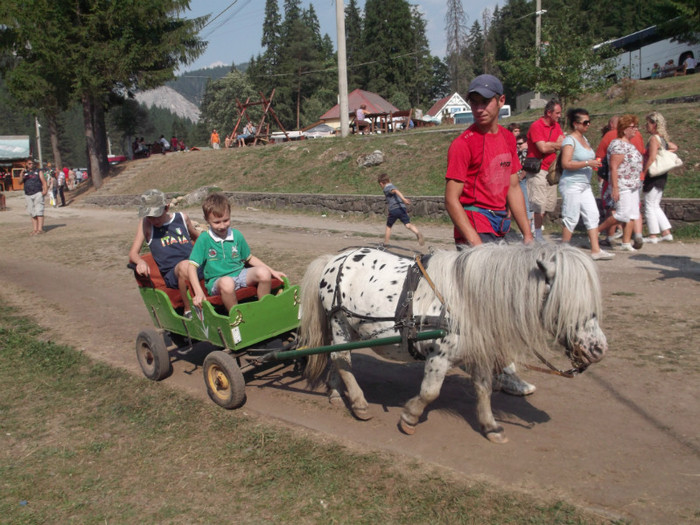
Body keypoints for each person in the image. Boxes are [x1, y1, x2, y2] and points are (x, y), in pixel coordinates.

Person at [444, 74, 535, 396]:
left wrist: (527, 233)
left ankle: (490, 363)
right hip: (474, 226)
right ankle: (500, 370)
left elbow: (512, 187)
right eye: (475, 102)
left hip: (499, 226)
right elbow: (451, 200)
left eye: (486, 101)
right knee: (490, 306)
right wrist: (475, 244)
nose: (479, 108)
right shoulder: (463, 144)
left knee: (505, 301)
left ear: (501, 101)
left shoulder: (509, 140)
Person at [188, 193, 286, 313]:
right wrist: (198, 292)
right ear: (207, 220)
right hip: (218, 281)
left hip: (240, 274)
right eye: (217, 222)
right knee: (227, 282)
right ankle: (237, 317)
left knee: (264, 273)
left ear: (230, 215)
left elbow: (249, 258)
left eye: (226, 220)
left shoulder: (236, 235)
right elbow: (191, 267)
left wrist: (272, 271)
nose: (222, 226)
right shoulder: (204, 239)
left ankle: (263, 310)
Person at [128, 189, 202, 318]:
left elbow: (198, 238)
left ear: (166, 208)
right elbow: (133, 253)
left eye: (157, 216)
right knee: (184, 266)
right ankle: (188, 310)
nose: (154, 220)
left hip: (194, 266)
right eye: (150, 217)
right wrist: (140, 262)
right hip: (172, 274)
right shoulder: (146, 224)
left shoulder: (182, 218)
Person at [558, 108, 612, 260]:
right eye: (585, 122)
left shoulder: (585, 139)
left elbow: (584, 160)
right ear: (576, 124)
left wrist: (592, 164)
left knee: (592, 214)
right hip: (571, 184)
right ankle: (563, 251)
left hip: (584, 184)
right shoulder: (570, 140)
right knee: (571, 216)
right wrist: (588, 162)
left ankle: (596, 250)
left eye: (589, 121)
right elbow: (566, 163)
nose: (588, 125)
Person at [596, 115, 644, 252]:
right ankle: (595, 232)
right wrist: (615, 188)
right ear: (624, 129)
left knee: (632, 214)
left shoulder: (630, 144)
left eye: (636, 126)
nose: (636, 129)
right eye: (633, 127)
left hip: (633, 184)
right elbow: (614, 167)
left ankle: (626, 243)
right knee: (622, 214)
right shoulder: (618, 144)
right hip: (623, 184)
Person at [525, 98, 564, 241]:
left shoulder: (557, 126)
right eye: (557, 113)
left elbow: (562, 143)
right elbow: (542, 147)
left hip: (551, 170)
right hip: (538, 169)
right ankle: (537, 233)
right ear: (549, 112)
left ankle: (534, 229)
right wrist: (556, 144)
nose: (559, 116)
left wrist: (551, 145)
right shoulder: (537, 126)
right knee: (538, 204)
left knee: (549, 204)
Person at [642, 111, 677, 244]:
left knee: (649, 204)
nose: (646, 126)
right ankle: (666, 231)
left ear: (654, 124)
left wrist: (644, 173)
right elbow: (674, 147)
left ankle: (653, 235)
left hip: (653, 174)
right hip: (662, 175)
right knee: (655, 204)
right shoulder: (662, 138)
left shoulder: (653, 139)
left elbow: (651, 158)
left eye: (648, 123)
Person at [378, 173, 424, 246]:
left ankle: (386, 243)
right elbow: (396, 192)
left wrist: (404, 199)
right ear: (389, 180)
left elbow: (395, 191)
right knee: (408, 224)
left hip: (394, 209)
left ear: (381, 183)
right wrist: (403, 201)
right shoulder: (393, 186)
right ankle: (417, 233)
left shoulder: (387, 188)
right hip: (402, 208)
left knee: (388, 227)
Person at [21, 159, 48, 235]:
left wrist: (45, 190)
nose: (31, 165)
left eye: (32, 163)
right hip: (28, 194)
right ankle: (35, 229)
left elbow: (44, 181)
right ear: (26, 164)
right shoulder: (25, 173)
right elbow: (19, 182)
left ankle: (40, 229)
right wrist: (21, 174)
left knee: (39, 210)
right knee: (32, 212)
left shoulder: (38, 171)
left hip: (37, 193)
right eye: (29, 164)